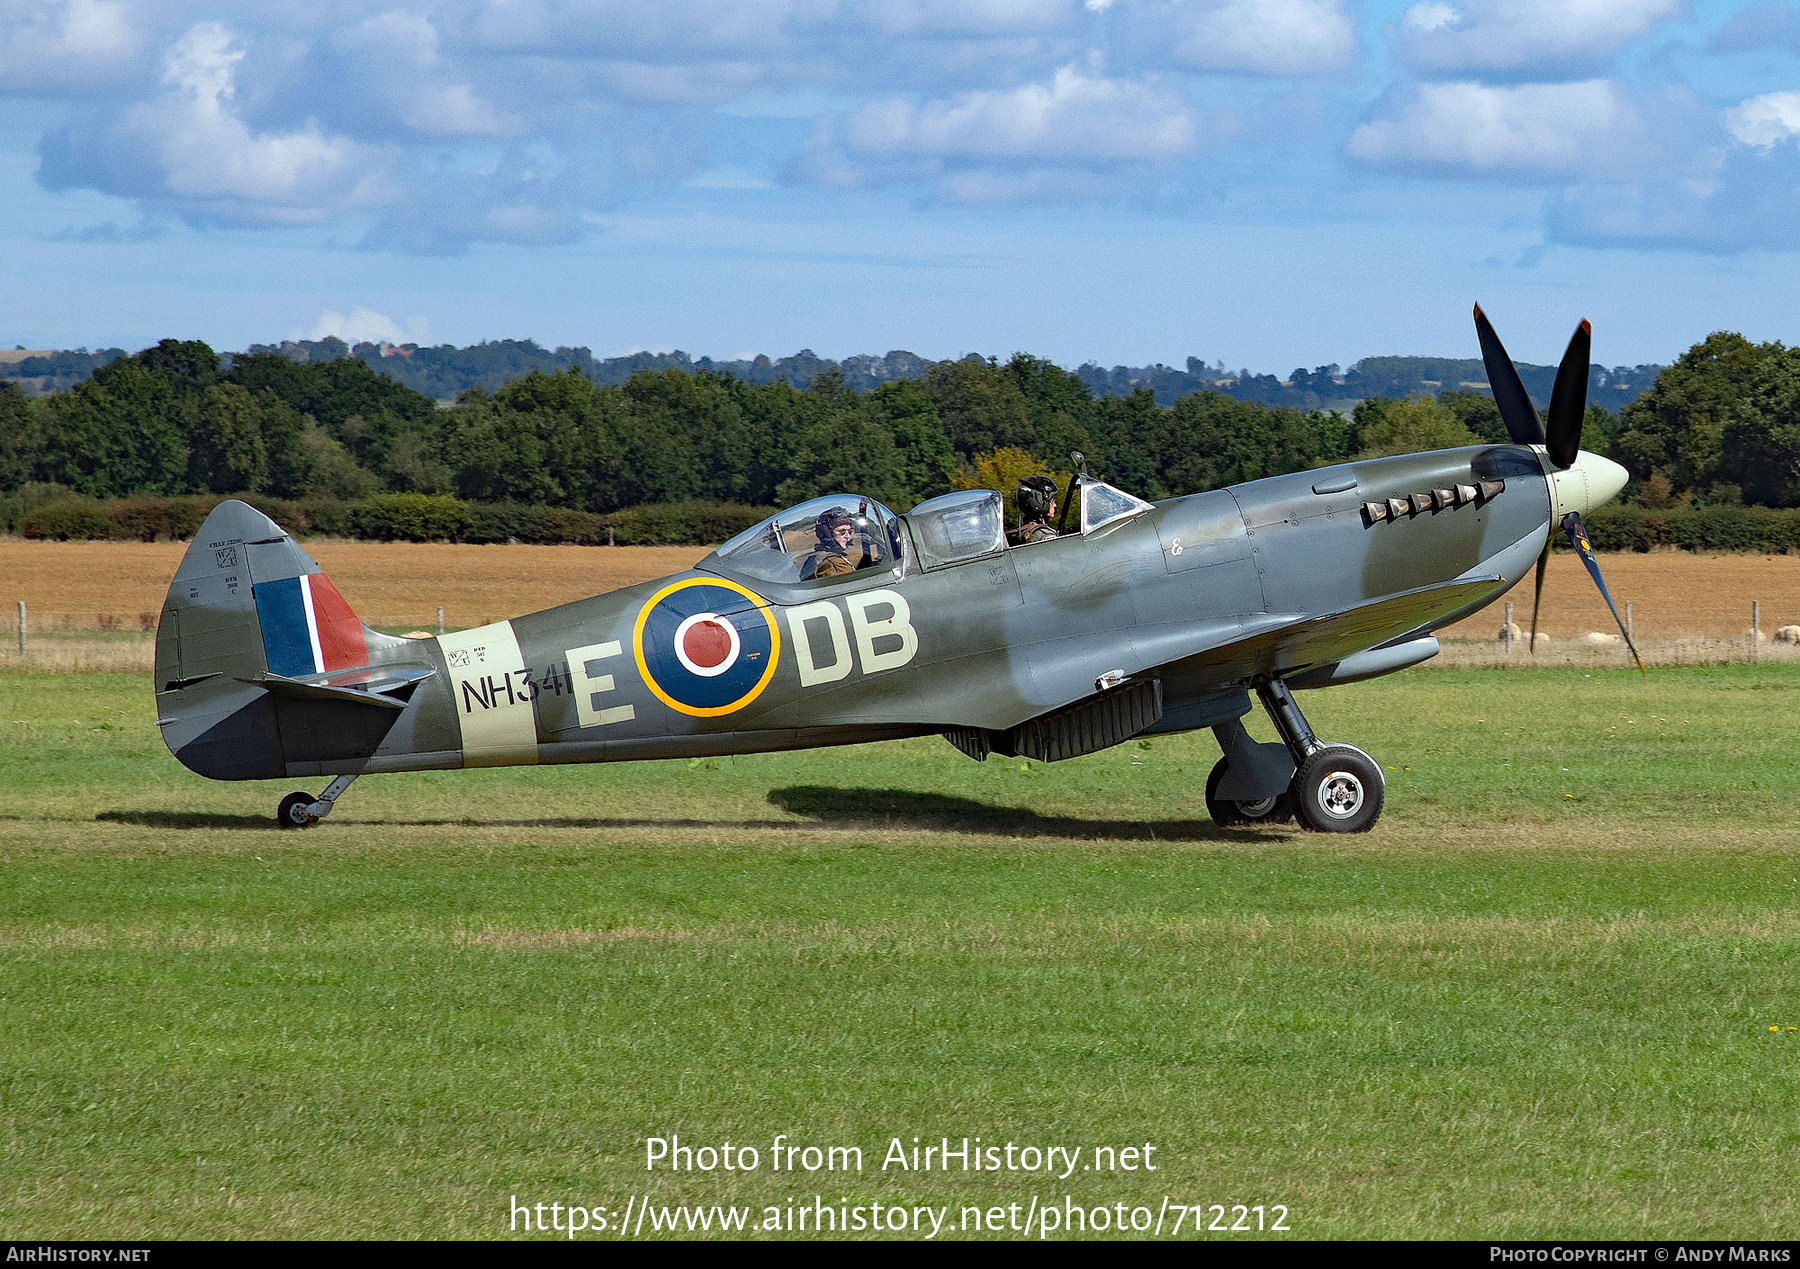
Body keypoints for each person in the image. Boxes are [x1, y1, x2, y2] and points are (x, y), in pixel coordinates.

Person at [799, 507, 866, 579]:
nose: (848, 536)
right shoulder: (835, 564)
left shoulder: (817, 556)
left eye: (849, 531)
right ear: (826, 533)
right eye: (842, 532)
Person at [1008, 475, 1060, 545]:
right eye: (1052, 501)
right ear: (1040, 501)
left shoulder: (1014, 534)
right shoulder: (1046, 536)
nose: (1055, 505)